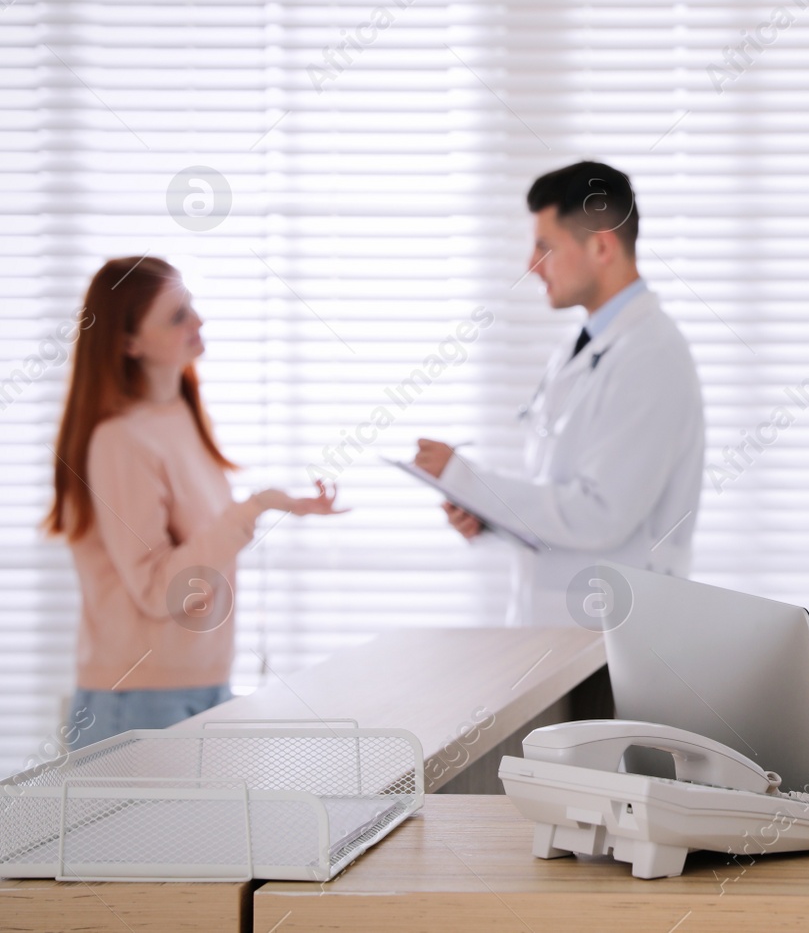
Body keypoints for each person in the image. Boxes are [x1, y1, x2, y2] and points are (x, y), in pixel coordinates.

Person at [45, 257, 344, 749]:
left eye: (192, 307)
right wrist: (253, 509)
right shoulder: (119, 440)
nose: (198, 322)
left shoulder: (181, 419)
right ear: (128, 344)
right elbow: (159, 589)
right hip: (139, 702)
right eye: (177, 315)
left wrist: (260, 509)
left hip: (201, 686)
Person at [414, 161, 704, 625]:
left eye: (545, 247)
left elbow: (600, 516)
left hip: (619, 635)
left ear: (602, 246)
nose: (530, 265)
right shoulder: (585, 348)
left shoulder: (652, 355)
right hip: (567, 630)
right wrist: (487, 516)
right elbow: (560, 500)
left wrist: (471, 481)